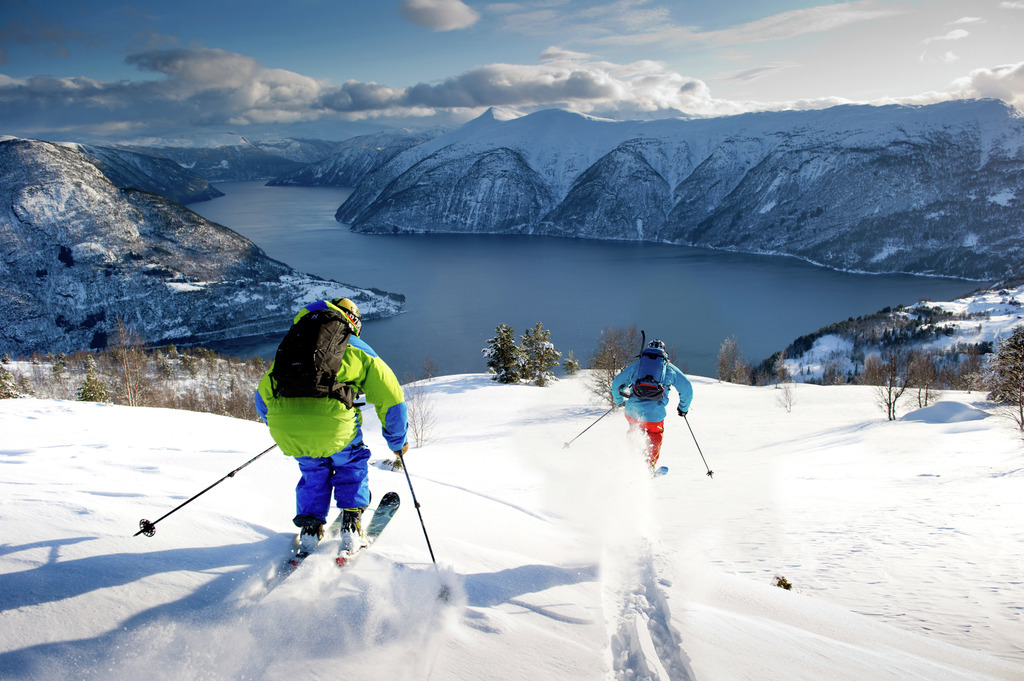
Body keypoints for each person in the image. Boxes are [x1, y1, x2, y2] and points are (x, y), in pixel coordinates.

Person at [255, 297, 408, 553]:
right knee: (350, 463)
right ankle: (351, 521)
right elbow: (391, 398)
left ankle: (310, 527)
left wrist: (286, 426)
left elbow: (262, 397)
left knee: (313, 471)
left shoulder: (293, 345)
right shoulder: (356, 347)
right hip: (335, 426)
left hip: (288, 427)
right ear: (353, 322)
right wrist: (397, 441)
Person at [611, 339, 693, 470]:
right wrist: (683, 408)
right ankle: (648, 466)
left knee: (634, 430)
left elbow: (616, 383)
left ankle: (628, 460)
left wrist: (619, 401)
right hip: (654, 415)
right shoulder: (669, 368)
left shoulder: (638, 365)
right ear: (664, 352)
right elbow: (687, 388)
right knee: (654, 435)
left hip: (632, 411)